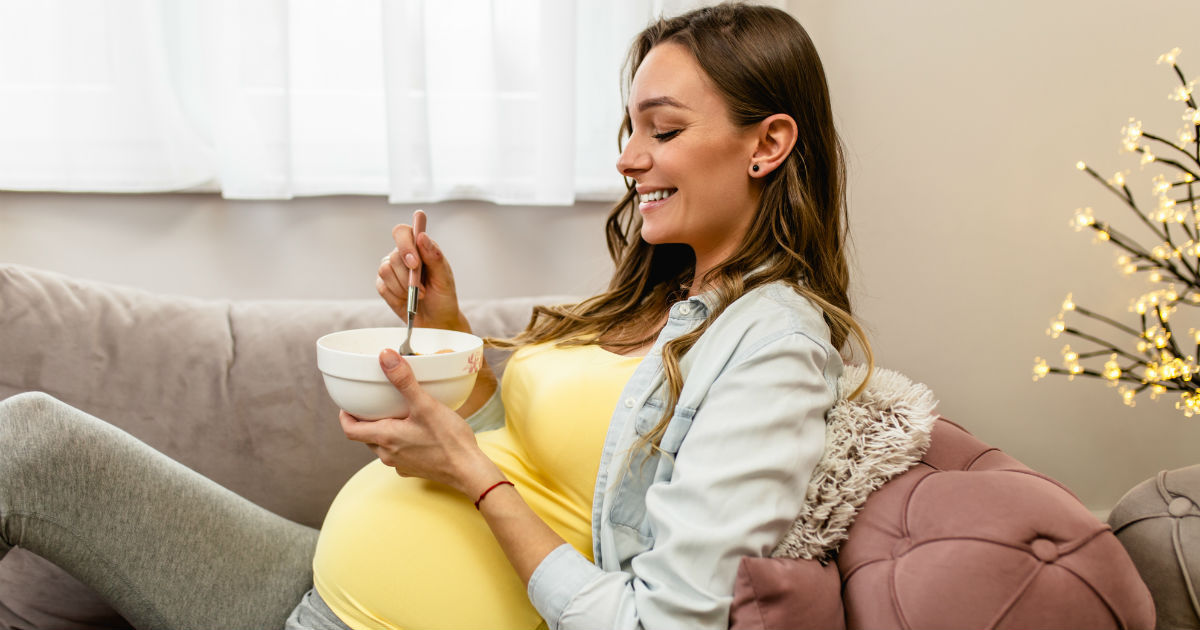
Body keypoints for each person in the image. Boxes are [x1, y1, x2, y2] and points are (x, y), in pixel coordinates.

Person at [0, 3, 872, 629]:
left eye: (664, 131)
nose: (628, 156)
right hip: (311, 580)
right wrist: (452, 332)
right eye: (628, 127)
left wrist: (467, 473)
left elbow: (663, 624)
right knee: (32, 439)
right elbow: (542, 457)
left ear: (769, 143)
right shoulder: (660, 295)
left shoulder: (774, 349)